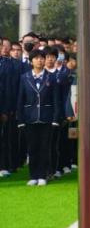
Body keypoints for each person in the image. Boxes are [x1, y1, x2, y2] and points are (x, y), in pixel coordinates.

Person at [16, 49, 61, 186]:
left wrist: (55, 119)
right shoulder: (24, 77)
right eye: (36, 58)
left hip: (47, 118)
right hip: (29, 118)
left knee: (44, 147)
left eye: (42, 58)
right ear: (31, 61)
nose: (39, 60)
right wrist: (20, 120)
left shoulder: (51, 77)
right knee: (32, 147)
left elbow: (56, 99)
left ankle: (42, 175)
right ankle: (33, 175)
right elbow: (20, 99)